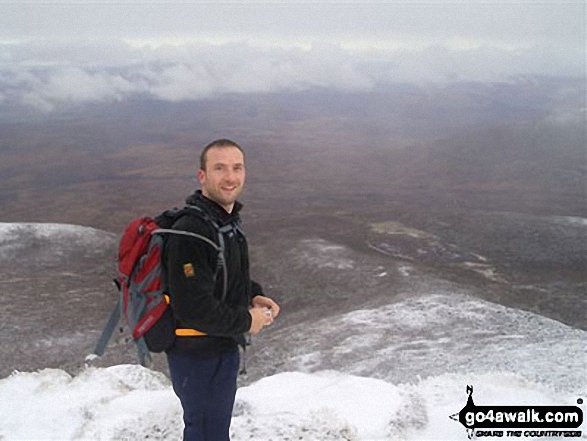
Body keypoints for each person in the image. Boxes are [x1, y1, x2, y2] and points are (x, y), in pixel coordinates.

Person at [163, 139, 279, 441]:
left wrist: (254, 294)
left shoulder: (224, 222)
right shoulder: (192, 230)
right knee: (205, 433)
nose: (230, 177)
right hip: (197, 354)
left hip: (218, 348)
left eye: (237, 168)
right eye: (219, 168)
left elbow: (223, 275)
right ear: (202, 176)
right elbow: (193, 308)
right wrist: (247, 321)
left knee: (213, 431)